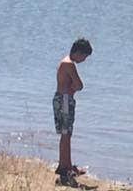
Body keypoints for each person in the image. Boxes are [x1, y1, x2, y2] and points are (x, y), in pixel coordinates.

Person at [54, 38, 93, 186]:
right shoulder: (69, 64)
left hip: (63, 99)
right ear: (78, 52)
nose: (84, 60)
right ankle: (65, 168)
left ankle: (65, 165)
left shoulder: (65, 61)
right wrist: (72, 89)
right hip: (64, 100)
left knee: (66, 134)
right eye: (84, 56)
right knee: (66, 134)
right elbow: (79, 84)